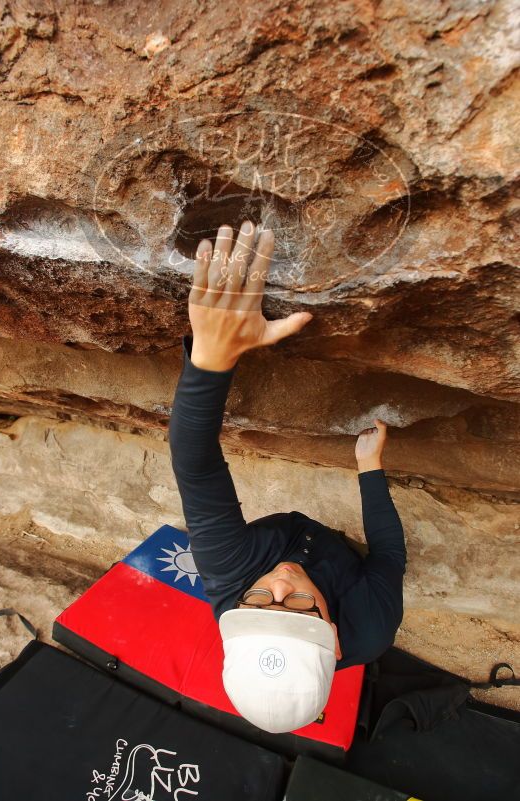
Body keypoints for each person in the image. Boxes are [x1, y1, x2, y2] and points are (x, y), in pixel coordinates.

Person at [168, 221, 406, 734]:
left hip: (280, 531)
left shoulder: (231, 576)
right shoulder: (371, 629)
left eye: (259, 603)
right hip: (342, 560)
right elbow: (388, 556)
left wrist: (212, 358)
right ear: (336, 641)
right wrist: (370, 470)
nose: (280, 584)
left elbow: (196, 466)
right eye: (299, 607)